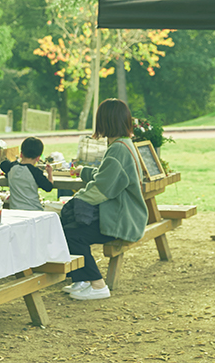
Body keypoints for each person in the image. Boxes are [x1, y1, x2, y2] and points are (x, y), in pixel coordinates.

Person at [61, 99, 148, 301]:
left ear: (106, 121)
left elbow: (102, 189)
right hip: (121, 213)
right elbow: (106, 175)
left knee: (72, 234)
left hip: (121, 219)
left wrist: (74, 200)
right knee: (69, 227)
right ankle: (81, 279)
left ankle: (98, 285)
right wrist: (84, 172)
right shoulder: (123, 144)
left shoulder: (118, 149)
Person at [0, 137, 55, 211]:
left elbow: (3, 164)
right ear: (38, 158)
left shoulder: (11, 168)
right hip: (34, 211)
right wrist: (50, 174)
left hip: (15, 210)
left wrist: (16, 161)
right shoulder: (36, 172)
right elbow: (49, 187)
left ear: (21, 154)